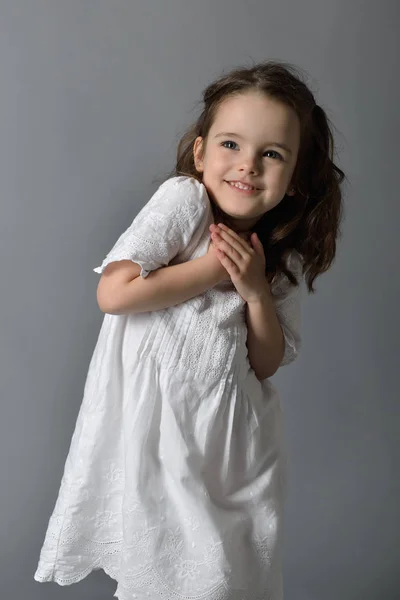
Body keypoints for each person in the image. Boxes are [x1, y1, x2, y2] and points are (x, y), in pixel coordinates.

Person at [34, 60, 345, 600]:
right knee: (171, 578)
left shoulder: (277, 259)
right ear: (200, 153)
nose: (247, 165)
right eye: (231, 145)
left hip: (234, 450)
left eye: (271, 154)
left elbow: (265, 361)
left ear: (294, 179)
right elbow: (116, 292)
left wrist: (253, 290)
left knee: (229, 578)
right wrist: (215, 268)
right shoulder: (186, 203)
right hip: (163, 438)